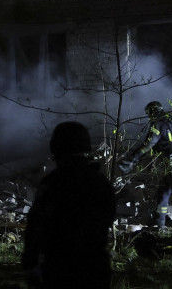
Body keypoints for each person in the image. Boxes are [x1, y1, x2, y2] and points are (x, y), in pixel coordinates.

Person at [22, 121, 115, 289]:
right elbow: (107, 218)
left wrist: (30, 263)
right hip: (95, 268)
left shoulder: (53, 183)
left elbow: (35, 226)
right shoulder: (100, 183)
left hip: (60, 269)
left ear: (57, 148)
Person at [119, 101, 172, 230]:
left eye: (149, 113)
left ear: (153, 111)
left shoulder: (157, 124)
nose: (148, 116)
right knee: (163, 194)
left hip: (170, 161)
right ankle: (159, 224)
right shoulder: (169, 121)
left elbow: (148, 144)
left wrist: (133, 159)